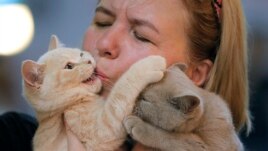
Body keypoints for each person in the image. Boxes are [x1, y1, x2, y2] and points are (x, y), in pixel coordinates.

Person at [0, 0, 251, 150]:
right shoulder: (13, 137)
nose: (105, 43)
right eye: (102, 21)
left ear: (195, 74)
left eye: (141, 35)